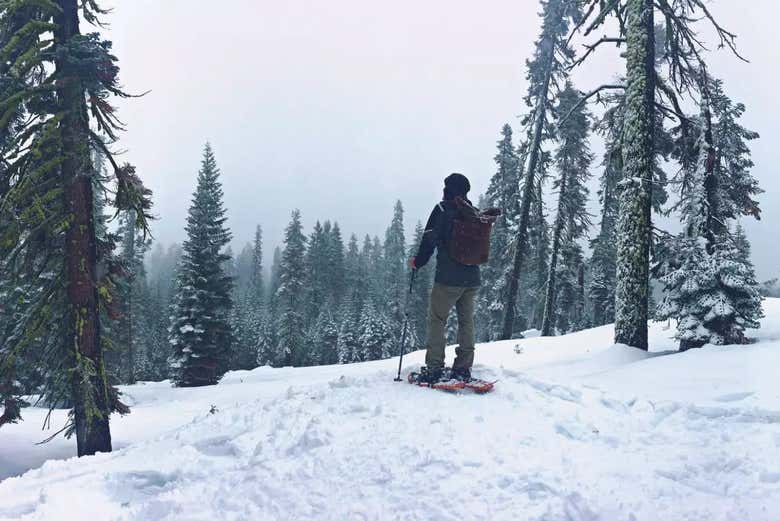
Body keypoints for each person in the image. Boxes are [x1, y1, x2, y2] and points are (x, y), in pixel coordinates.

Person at [410, 173, 479, 384]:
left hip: (447, 279)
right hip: (472, 278)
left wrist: (417, 262)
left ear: (448, 189)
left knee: (437, 320)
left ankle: (434, 367)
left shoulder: (442, 210)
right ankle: (463, 368)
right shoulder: (473, 212)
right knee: (466, 322)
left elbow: (428, 241)